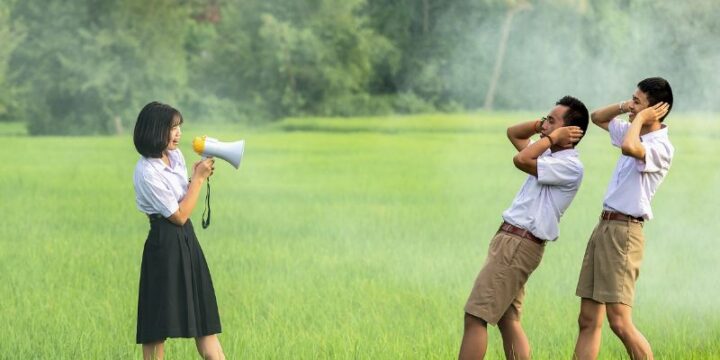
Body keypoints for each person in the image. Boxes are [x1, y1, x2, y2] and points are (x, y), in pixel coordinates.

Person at [459, 96, 589, 360]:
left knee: (476, 315)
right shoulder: (549, 154)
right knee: (508, 320)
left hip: (519, 243)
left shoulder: (569, 165)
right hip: (513, 241)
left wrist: (551, 138)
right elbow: (513, 133)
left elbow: (520, 159)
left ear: (571, 133)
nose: (545, 124)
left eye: (553, 121)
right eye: (546, 119)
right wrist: (544, 126)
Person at [573, 77, 674, 360]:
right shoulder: (635, 129)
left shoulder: (660, 146)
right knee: (588, 319)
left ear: (656, 111)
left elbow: (630, 147)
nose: (632, 107)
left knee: (619, 321)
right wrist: (626, 107)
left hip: (625, 233)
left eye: (638, 102)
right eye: (632, 99)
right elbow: (597, 117)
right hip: (605, 226)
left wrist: (639, 118)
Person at [133, 101, 225, 360]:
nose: (178, 133)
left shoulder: (175, 157)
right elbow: (179, 215)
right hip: (164, 244)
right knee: (156, 325)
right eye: (172, 127)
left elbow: (183, 200)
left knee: (204, 319)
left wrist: (193, 178)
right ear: (154, 130)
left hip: (187, 241)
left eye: (178, 127)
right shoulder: (146, 172)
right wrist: (198, 179)